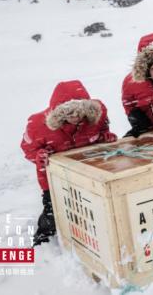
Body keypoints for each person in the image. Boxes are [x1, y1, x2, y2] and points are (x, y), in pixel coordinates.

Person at [21, 80, 117, 246]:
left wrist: (105, 137)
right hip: (52, 178)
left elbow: (102, 130)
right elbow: (27, 150)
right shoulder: (38, 125)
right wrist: (39, 155)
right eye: (68, 113)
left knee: (90, 207)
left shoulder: (97, 113)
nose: (74, 117)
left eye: (78, 112)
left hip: (87, 171)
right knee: (53, 212)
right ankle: (43, 238)